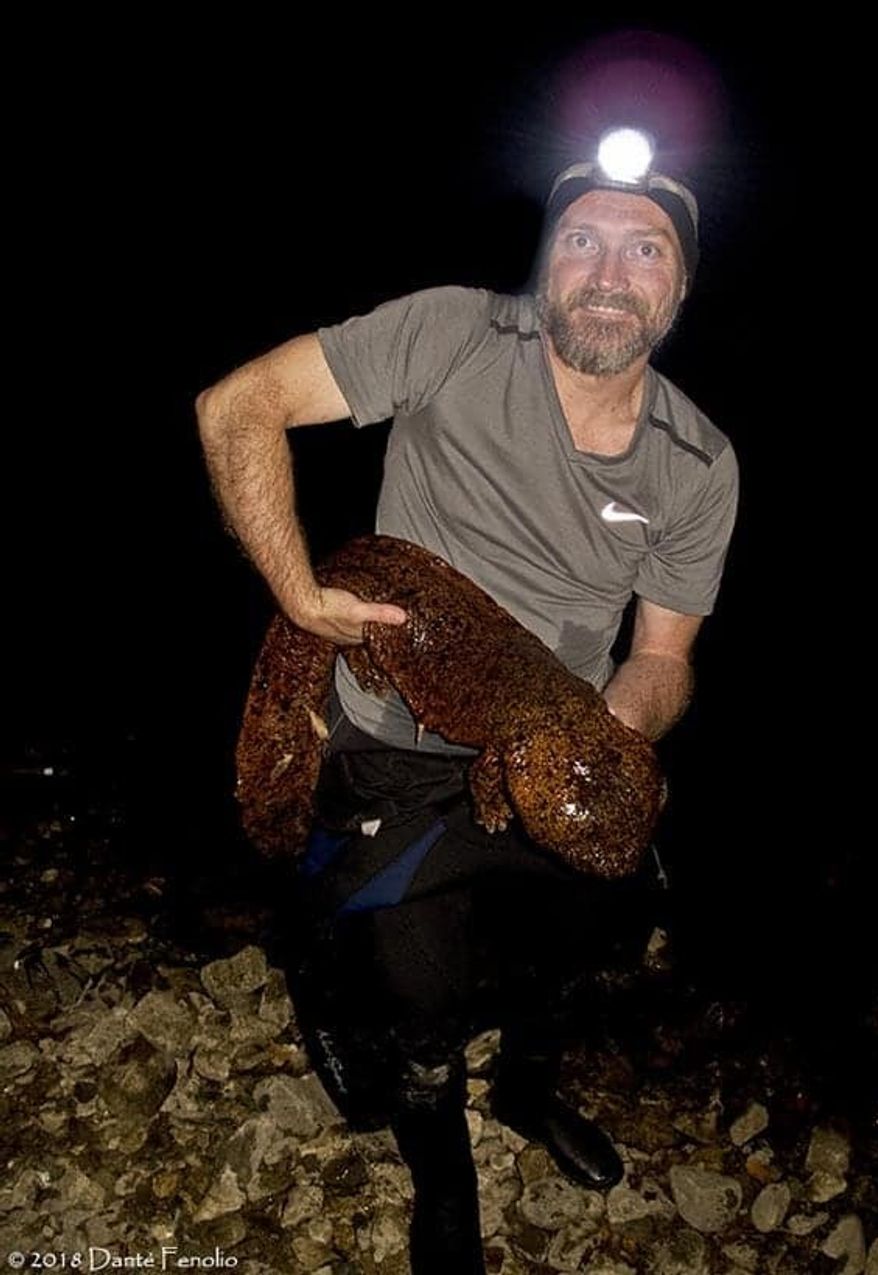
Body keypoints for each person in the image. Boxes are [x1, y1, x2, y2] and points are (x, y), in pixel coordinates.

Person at [196, 129, 738, 1274]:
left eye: (641, 251)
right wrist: (297, 593)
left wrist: (609, 736)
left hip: (560, 730)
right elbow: (235, 404)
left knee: (607, 910)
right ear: (544, 265)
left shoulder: (698, 462)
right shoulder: (454, 331)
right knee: (414, 974)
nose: (605, 270)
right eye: (579, 240)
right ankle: (440, 1160)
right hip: (395, 726)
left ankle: (527, 1083)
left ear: (678, 285)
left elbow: (664, 657)